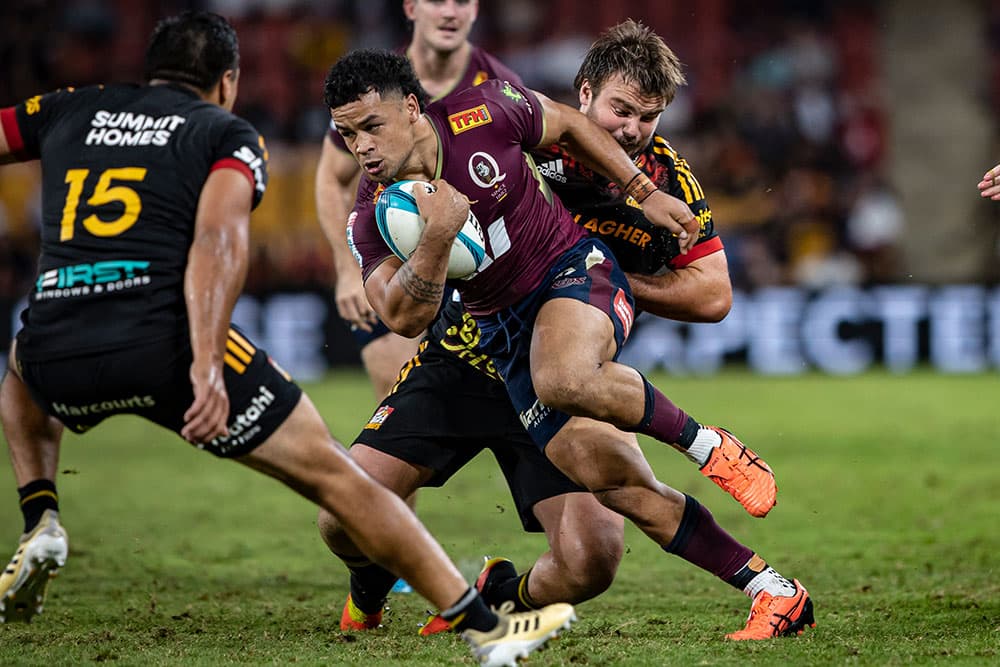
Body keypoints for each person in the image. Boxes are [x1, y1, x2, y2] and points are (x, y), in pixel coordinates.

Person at [0, 12, 577, 665]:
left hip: (54, 331)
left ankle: (40, 512)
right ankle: (484, 629)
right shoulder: (226, 132)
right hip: (165, 339)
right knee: (343, 480)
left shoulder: (71, 106)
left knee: (20, 378)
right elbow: (219, 241)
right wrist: (208, 366)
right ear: (228, 80)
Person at [322, 36, 812, 641]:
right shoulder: (370, 214)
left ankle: (717, 467)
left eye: (372, 126)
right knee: (341, 517)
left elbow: (576, 129)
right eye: (348, 135)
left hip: (568, 285)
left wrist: (642, 192)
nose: (362, 148)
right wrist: (434, 241)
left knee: (593, 545)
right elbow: (400, 317)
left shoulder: (491, 111)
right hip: (475, 352)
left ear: (413, 108)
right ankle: (378, 595)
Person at [315, 0, 521, 401]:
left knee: (502, 407)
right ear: (410, 8)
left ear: (476, 9)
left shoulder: (497, 84)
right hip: (393, 256)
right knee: (404, 399)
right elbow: (330, 177)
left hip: (474, 265)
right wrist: (345, 267)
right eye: (437, 1)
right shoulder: (371, 85)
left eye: (461, 1)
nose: (450, 13)